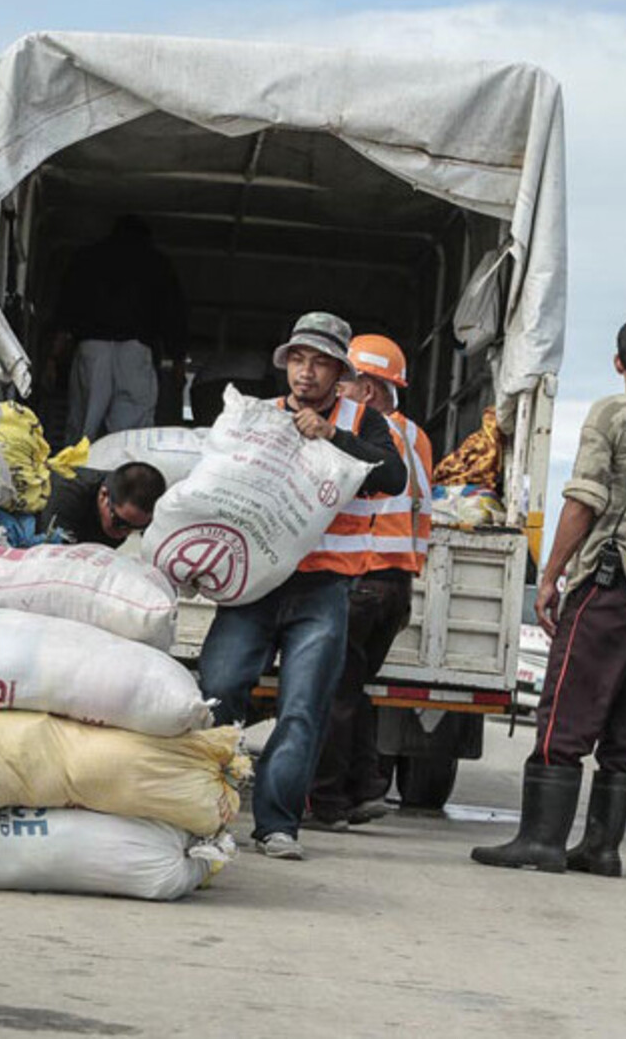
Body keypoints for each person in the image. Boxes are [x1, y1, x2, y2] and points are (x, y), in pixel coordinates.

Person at [197, 312, 406, 860]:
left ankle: (276, 826)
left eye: (319, 362)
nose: (305, 373)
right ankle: (200, 813)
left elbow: (392, 476)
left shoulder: (361, 419)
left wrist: (333, 436)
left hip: (323, 591)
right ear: (285, 364)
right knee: (218, 694)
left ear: (340, 372)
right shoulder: (258, 416)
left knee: (303, 708)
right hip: (253, 585)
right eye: (297, 359)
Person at [472, 315, 626, 877]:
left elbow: (583, 500)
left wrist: (554, 573)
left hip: (610, 582)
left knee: (566, 710)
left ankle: (541, 840)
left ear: (617, 362)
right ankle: (602, 848)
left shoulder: (612, 412)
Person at [306, 333, 433, 832]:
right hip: (397, 584)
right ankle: (367, 787)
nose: (338, 394)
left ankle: (329, 801)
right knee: (353, 689)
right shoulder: (415, 435)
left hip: (363, 575)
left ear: (370, 389)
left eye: (346, 383)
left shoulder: (366, 441)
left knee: (334, 692)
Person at [56, 216, 189, 437]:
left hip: (92, 348)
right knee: (130, 433)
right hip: (135, 352)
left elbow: (67, 308)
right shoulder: (157, 262)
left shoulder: (87, 257)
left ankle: (79, 469)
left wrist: (54, 356)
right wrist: (178, 358)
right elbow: (174, 313)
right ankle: (123, 470)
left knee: (84, 425)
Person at [38, 461, 167, 547]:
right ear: (104, 495)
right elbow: (50, 558)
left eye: (137, 528)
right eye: (120, 523)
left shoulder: (126, 512)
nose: (125, 532)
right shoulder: (68, 495)